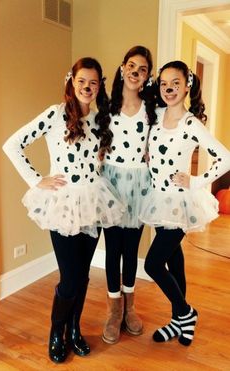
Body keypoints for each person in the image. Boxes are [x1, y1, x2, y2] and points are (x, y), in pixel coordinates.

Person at [2, 57, 125, 363]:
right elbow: (12, 145)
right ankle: (56, 332)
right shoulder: (55, 115)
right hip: (63, 205)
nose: (87, 87)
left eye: (93, 82)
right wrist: (35, 180)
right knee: (70, 278)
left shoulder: (100, 120)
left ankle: (74, 330)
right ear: (72, 81)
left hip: (93, 201)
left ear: (99, 86)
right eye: (82, 80)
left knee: (82, 276)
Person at [139, 60, 230, 346]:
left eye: (175, 83)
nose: (169, 88)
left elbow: (225, 157)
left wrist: (196, 180)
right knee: (174, 260)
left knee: (153, 264)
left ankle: (185, 312)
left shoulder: (192, 123)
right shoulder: (156, 115)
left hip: (181, 202)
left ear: (187, 86)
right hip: (158, 198)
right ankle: (179, 321)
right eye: (164, 83)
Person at [101, 46, 157, 344]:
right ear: (123, 68)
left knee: (131, 251)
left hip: (139, 184)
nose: (136, 72)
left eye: (143, 69)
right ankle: (113, 311)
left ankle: (129, 309)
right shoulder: (106, 105)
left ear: (148, 77)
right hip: (110, 182)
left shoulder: (152, 110)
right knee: (113, 250)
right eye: (132, 66)